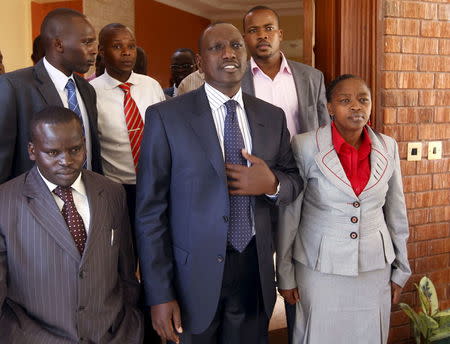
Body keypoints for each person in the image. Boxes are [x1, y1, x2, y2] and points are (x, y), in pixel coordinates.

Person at [135, 22, 301, 344]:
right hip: (190, 277)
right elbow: (149, 212)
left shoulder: (272, 116)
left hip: (254, 270)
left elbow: (293, 181)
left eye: (236, 46)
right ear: (200, 62)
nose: (229, 53)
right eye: (217, 47)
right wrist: (158, 293)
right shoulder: (166, 117)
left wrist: (271, 184)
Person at [276, 75, 411, 344]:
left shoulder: (388, 147)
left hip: (374, 268)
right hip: (320, 267)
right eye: (345, 100)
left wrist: (401, 269)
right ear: (329, 107)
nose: (356, 107)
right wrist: (285, 273)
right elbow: (290, 216)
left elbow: (397, 213)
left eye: (363, 100)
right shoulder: (304, 146)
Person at [0, 106, 143, 343]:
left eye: (75, 149)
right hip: (34, 337)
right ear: (32, 151)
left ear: (85, 145)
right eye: (52, 152)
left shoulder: (112, 192)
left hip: (113, 335)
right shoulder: (5, 201)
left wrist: (129, 327)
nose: (66, 161)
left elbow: (126, 271)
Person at [0, 8, 102, 184]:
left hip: (87, 197)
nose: (94, 50)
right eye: (87, 42)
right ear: (59, 45)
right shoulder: (14, 86)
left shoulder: (87, 90)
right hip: (33, 203)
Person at [90, 23, 165, 233]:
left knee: (155, 242)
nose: (126, 53)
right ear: (102, 52)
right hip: (117, 187)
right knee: (124, 250)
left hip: (155, 182)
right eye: (117, 46)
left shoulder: (151, 86)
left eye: (131, 46)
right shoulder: (91, 92)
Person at [242, 6, 329, 138]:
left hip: (303, 158)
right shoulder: (234, 80)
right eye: (253, 30)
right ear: (245, 39)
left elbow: (325, 128)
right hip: (256, 158)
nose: (262, 35)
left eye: (269, 28)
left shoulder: (313, 77)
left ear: (280, 34)